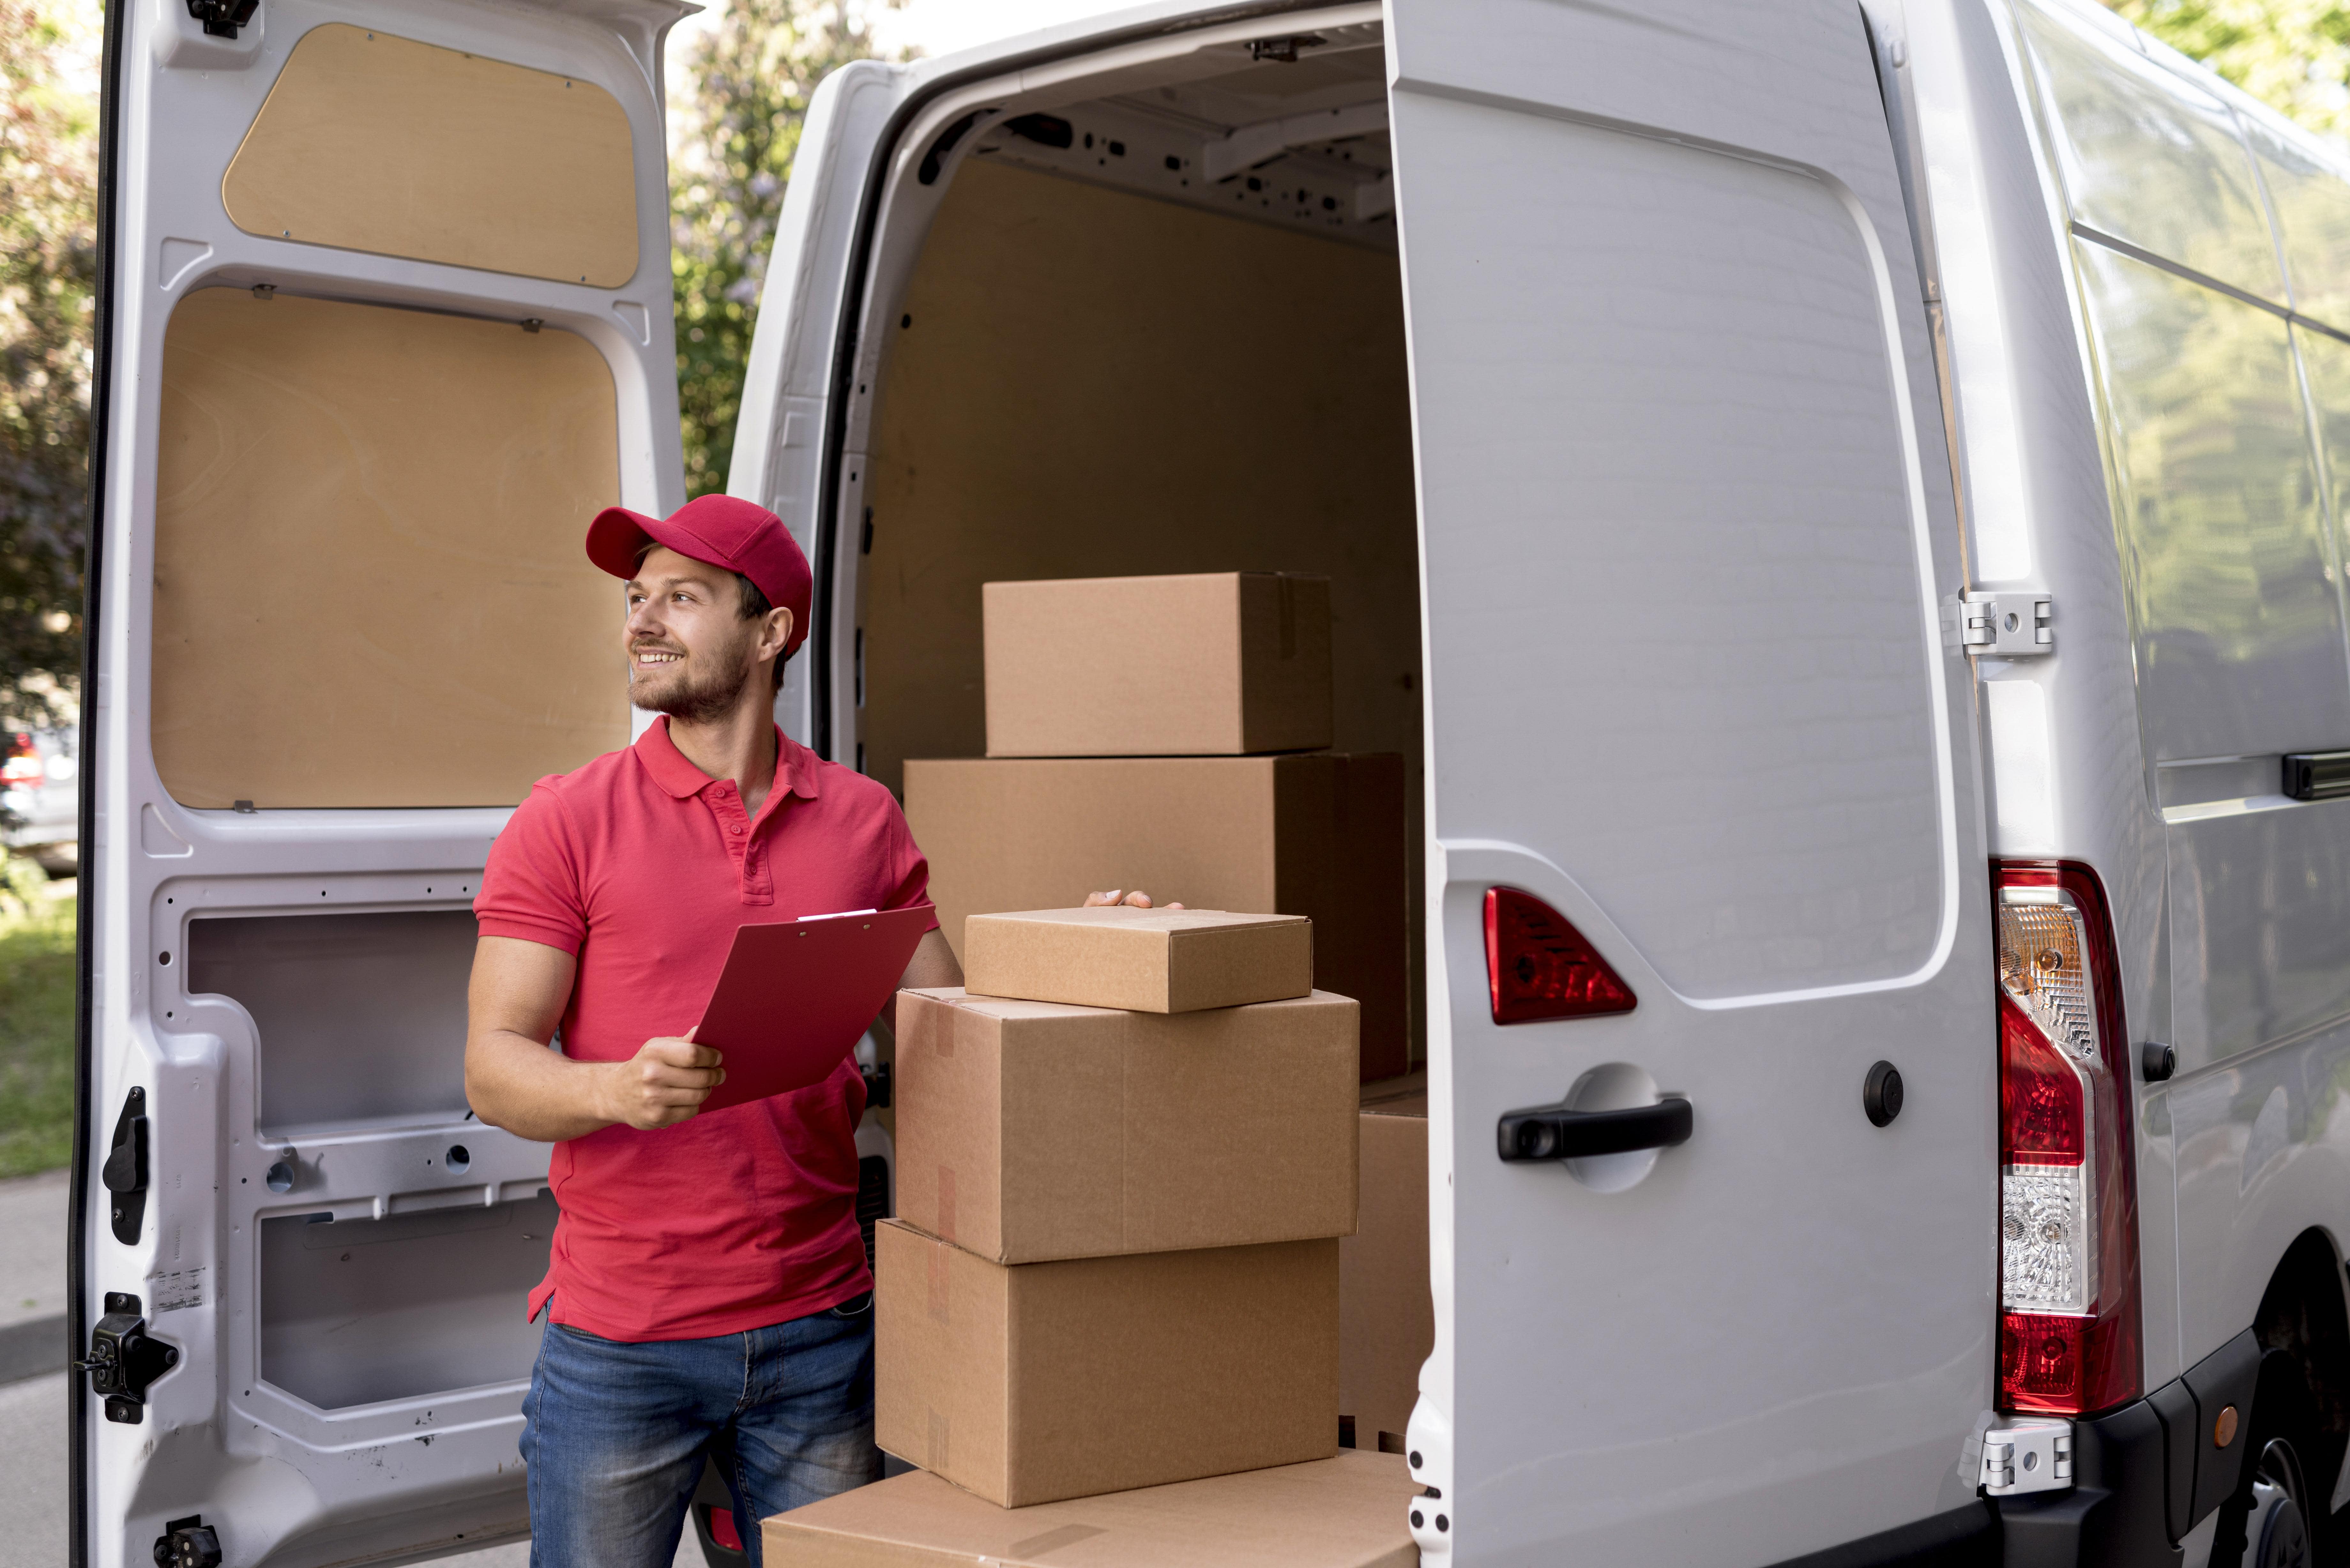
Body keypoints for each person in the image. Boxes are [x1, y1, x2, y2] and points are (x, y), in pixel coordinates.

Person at [464, 494, 959, 1567]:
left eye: (681, 598)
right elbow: (494, 1071)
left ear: (771, 629)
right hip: (621, 1347)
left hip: (822, 1329)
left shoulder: (865, 819)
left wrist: (1087, 952)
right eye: (636, 599)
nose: (641, 621)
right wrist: (613, 1091)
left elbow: (951, 1032)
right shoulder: (567, 818)